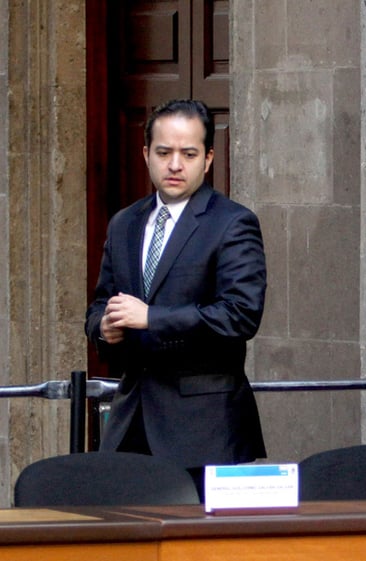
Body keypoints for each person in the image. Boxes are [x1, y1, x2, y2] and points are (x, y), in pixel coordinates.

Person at [85, 99, 267, 497]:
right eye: (164, 153)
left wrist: (153, 318)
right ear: (146, 153)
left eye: (189, 154)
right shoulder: (125, 223)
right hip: (131, 423)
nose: (175, 165)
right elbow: (99, 304)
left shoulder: (232, 223)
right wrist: (104, 326)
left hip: (205, 431)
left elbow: (240, 315)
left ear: (208, 158)